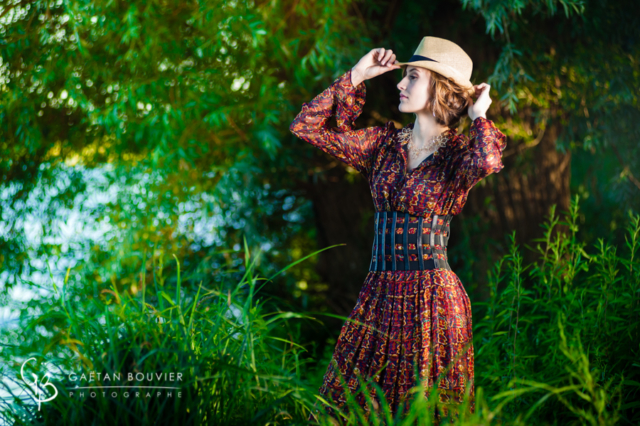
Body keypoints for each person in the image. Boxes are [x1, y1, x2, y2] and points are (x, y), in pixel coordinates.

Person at [290, 36, 506, 424]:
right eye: (403, 76)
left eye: (412, 76)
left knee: (425, 411)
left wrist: (479, 115)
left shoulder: (458, 154)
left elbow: (488, 159)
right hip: (378, 295)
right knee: (344, 408)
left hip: (432, 302)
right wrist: (358, 74)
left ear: (440, 88)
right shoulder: (383, 144)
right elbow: (306, 127)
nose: (399, 84)